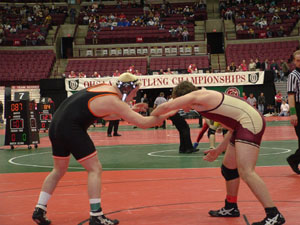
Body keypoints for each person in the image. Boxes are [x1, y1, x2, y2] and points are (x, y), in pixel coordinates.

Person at [32, 73, 171, 225]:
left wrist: (131, 110)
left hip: (56, 126)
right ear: (127, 89)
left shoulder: (105, 88)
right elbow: (144, 123)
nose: (136, 95)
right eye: (135, 92)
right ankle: (96, 215)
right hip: (71, 129)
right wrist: (165, 116)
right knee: (94, 169)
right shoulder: (115, 101)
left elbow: (106, 115)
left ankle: (39, 209)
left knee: (58, 170)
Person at [151, 81, 285, 225]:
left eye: (180, 101)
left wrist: (153, 118)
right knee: (228, 169)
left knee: (247, 172)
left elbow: (165, 106)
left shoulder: (198, 96)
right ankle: (231, 207)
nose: (182, 107)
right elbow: (232, 128)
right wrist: (218, 150)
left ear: (183, 96)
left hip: (249, 122)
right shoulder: (201, 104)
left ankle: (274, 214)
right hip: (242, 124)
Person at [286, 50, 300, 174]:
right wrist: (293, 112)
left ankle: (294, 159)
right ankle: (293, 159)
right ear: (294, 62)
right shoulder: (293, 75)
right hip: (298, 107)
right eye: (298, 60)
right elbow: (291, 96)